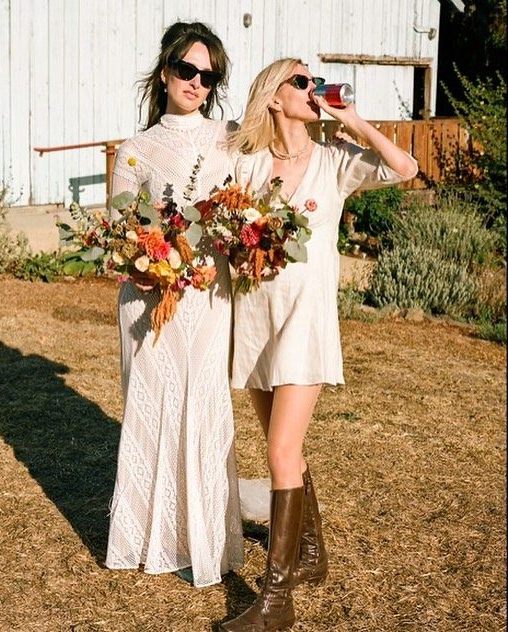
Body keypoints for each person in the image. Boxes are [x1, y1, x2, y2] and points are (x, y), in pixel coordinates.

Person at [221, 59, 418, 630]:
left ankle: (276, 599)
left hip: (304, 326)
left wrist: (351, 119)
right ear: (274, 98)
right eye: (301, 82)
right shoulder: (249, 164)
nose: (314, 90)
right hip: (255, 322)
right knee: (283, 446)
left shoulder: (335, 161)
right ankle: (310, 554)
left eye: (314, 82)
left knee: (281, 452)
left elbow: (404, 168)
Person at [105, 21, 244, 589]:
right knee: (155, 407)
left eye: (209, 76)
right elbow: (119, 232)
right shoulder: (135, 151)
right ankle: (151, 537)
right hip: (150, 299)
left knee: (203, 405)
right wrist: (150, 261)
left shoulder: (229, 138)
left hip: (209, 295)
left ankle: (203, 538)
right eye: (187, 70)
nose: (196, 83)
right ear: (165, 72)